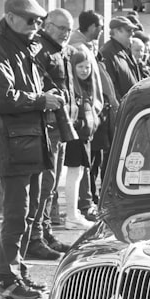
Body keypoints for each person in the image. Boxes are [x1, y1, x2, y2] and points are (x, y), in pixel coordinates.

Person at [0, 0, 64, 299]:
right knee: (16, 214)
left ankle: (19, 271)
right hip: (14, 143)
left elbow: (25, 90)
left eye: (39, 21)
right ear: (11, 17)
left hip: (32, 140)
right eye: (31, 21)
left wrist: (46, 94)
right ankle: (8, 278)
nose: (36, 26)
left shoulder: (23, 47)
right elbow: (1, 98)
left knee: (30, 213)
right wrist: (43, 100)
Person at [31, 7, 76, 259]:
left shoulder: (58, 49)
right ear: (47, 25)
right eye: (61, 28)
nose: (65, 34)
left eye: (69, 30)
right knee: (45, 183)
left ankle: (45, 231)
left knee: (51, 185)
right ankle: (35, 237)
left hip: (59, 124)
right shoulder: (40, 48)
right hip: (47, 126)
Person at [60, 48, 104, 229]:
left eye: (87, 67)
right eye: (80, 67)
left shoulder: (87, 88)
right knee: (74, 173)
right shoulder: (72, 89)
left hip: (85, 135)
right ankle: (71, 214)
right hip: (75, 135)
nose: (85, 70)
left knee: (78, 173)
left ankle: (74, 213)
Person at [100, 14, 143, 99]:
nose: (132, 33)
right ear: (116, 31)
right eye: (129, 30)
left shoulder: (124, 50)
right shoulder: (107, 53)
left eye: (133, 30)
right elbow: (109, 87)